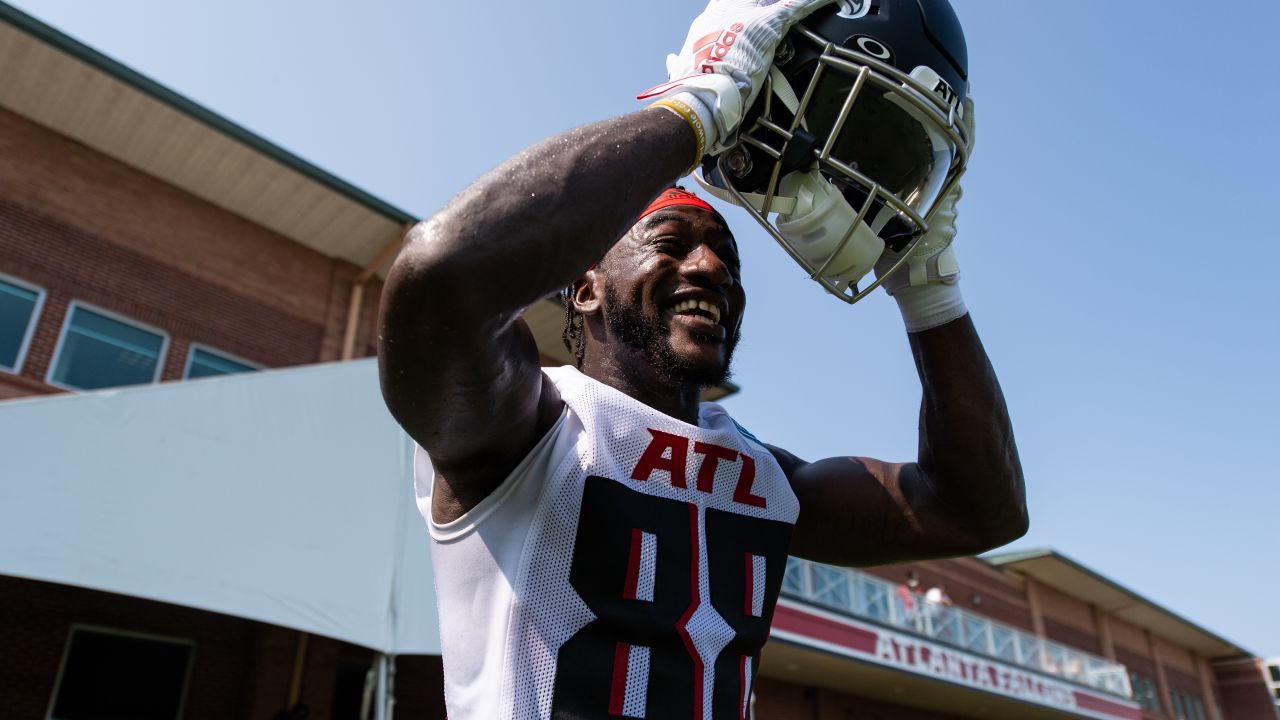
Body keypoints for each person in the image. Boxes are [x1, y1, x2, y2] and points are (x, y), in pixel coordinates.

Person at [378, 1, 1026, 717]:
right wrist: (700, 109)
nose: (712, 266)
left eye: (726, 254)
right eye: (670, 241)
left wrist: (929, 287)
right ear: (585, 288)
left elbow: (979, 509)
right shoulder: (524, 431)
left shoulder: (764, 475)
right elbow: (438, 276)